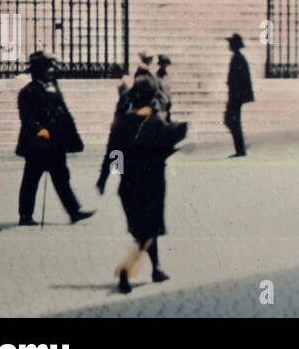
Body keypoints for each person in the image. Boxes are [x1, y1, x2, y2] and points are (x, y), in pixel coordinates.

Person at [98, 69, 188, 293]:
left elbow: (113, 151)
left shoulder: (124, 121)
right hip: (152, 185)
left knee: (143, 229)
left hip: (128, 185)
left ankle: (156, 268)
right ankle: (127, 272)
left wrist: (105, 177)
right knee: (148, 230)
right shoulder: (154, 121)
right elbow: (172, 138)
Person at [16, 52, 94, 226]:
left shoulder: (53, 88)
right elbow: (27, 117)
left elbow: (64, 114)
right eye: (48, 68)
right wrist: (39, 129)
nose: (52, 71)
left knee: (61, 178)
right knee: (31, 179)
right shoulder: (28, 91)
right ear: (40, 71)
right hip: (38, 144)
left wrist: (73, 137)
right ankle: (25, 216)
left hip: (56, 143)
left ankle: (74, 211)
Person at [224, 33, 254, 157]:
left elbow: (242, 80)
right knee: (232, 121)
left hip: (235, 97)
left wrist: (237, 96)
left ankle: (240, 149)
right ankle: (240, 148)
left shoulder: (238, 59)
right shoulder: (237, 58)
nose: (228, 45)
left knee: (231, 121)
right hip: (235, 96)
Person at [155, 54, 173, 119]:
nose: (165, 65)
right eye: (163, 63)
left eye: (166, 63)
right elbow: (157, 91)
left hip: (168, 104)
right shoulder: (157, 76)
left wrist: (170, 100)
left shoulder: (167, 76)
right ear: (160, 64)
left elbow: (168, 90)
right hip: (161, 104)